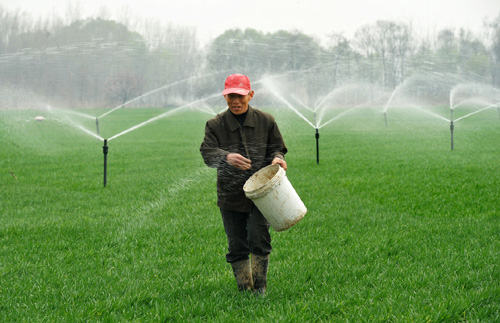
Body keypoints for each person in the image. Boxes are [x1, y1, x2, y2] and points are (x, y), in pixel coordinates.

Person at [200, 74, 288, 294]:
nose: (235, 101)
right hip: (231, 195)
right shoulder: (215, 124)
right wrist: (226, 157)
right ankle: (243, 288)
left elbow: (277, 148)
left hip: (262, 193)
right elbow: (207, 152)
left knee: (259, 237)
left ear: (250, 95)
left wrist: (278, 158)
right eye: (231, 96)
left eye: (240, 96)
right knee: (237, 244)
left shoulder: (266, 121)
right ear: (225, 96)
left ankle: (260, 288)